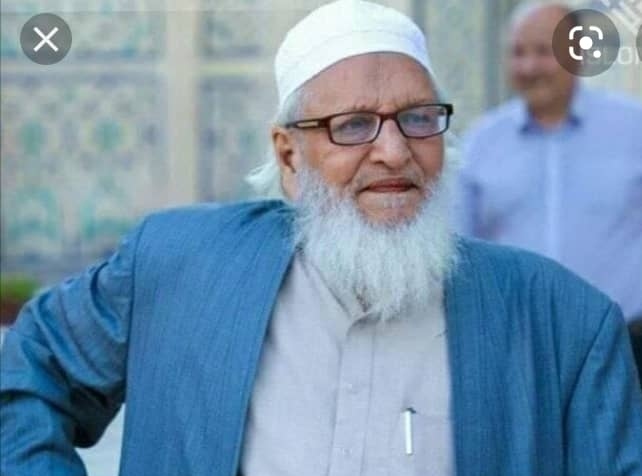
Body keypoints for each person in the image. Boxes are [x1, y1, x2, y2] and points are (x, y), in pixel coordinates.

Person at [1, 1, 641, 475]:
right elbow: (30, 370)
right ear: (289, 157)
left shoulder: (564, 323)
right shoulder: (177, 264)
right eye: (353, 125)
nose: (394, 152)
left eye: (418, 119)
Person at [456, 3, 642, 325]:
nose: (529, 67)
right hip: (518, 336)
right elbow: (461, 249)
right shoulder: (481, 143)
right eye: (518, 52)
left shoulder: (633, 129)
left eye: (543, 51)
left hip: (625, 337)